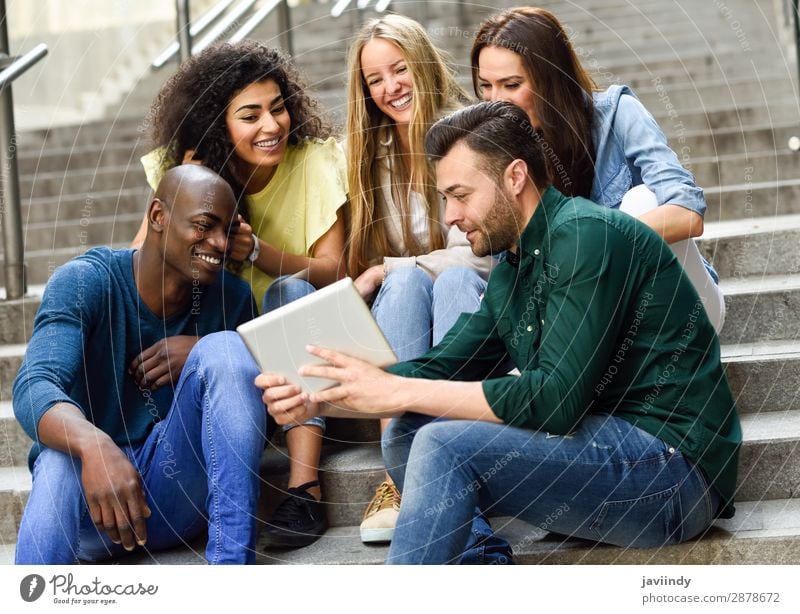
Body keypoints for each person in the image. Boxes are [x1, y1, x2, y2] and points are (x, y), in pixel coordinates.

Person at [256, 102, 741, 564]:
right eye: (445, 198)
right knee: (408, 428)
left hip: (672, 473)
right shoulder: (513, 265)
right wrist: (322, 397)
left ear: (514, 177)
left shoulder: (586, 237)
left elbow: (555, 399)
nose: (448, 216)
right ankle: (477, 560)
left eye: (461, 195)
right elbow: (444, 365)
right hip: (602, 453)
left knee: (441, 443)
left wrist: (396, 388)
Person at [133, 41, 348, 548]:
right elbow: (139, 268)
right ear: (217, 124)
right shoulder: (187, 168)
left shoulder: (314, 161)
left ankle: (304, 487)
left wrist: (259, 254)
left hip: (299, 348)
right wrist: (186, 184)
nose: (271, 126)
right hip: (220, 347)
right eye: (250, 115)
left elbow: (336, 272)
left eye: (278, 108)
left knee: (289, 290)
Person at [13, 166, 271, 564]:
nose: (219, 243)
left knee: (228, 348)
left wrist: (206, 349)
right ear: (157, 217)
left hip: (176, 499)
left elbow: (257, 410)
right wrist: (94, 445)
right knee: (59, 458)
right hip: (91, 511)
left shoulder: (231, 299)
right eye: (205, 226)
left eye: (228, 230)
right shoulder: (87, 282)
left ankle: (232, 576)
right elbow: (34, 384)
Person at [471, 7, 725, 333]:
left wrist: (590, 248)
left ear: (550, 78)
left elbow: (688, 214)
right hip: (591, 326)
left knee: (643, 200)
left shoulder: (617, 113)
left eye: (511, 84)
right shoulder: (501, 152)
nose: (496, 102)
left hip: (680, 310)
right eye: (485, 86)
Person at [344, 14, 496, 547]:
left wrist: (391, 267)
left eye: (399, 69)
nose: (389, 88)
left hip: (477, 307)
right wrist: (394, 273)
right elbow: (389, 265)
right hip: (410, 314)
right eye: (375, 80)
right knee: (405, 286)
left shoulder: (470, 133)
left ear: (423, 65)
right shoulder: (375, 154)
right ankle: (399, 472)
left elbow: (478, 256)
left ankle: (459, 452)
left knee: (447, 279)